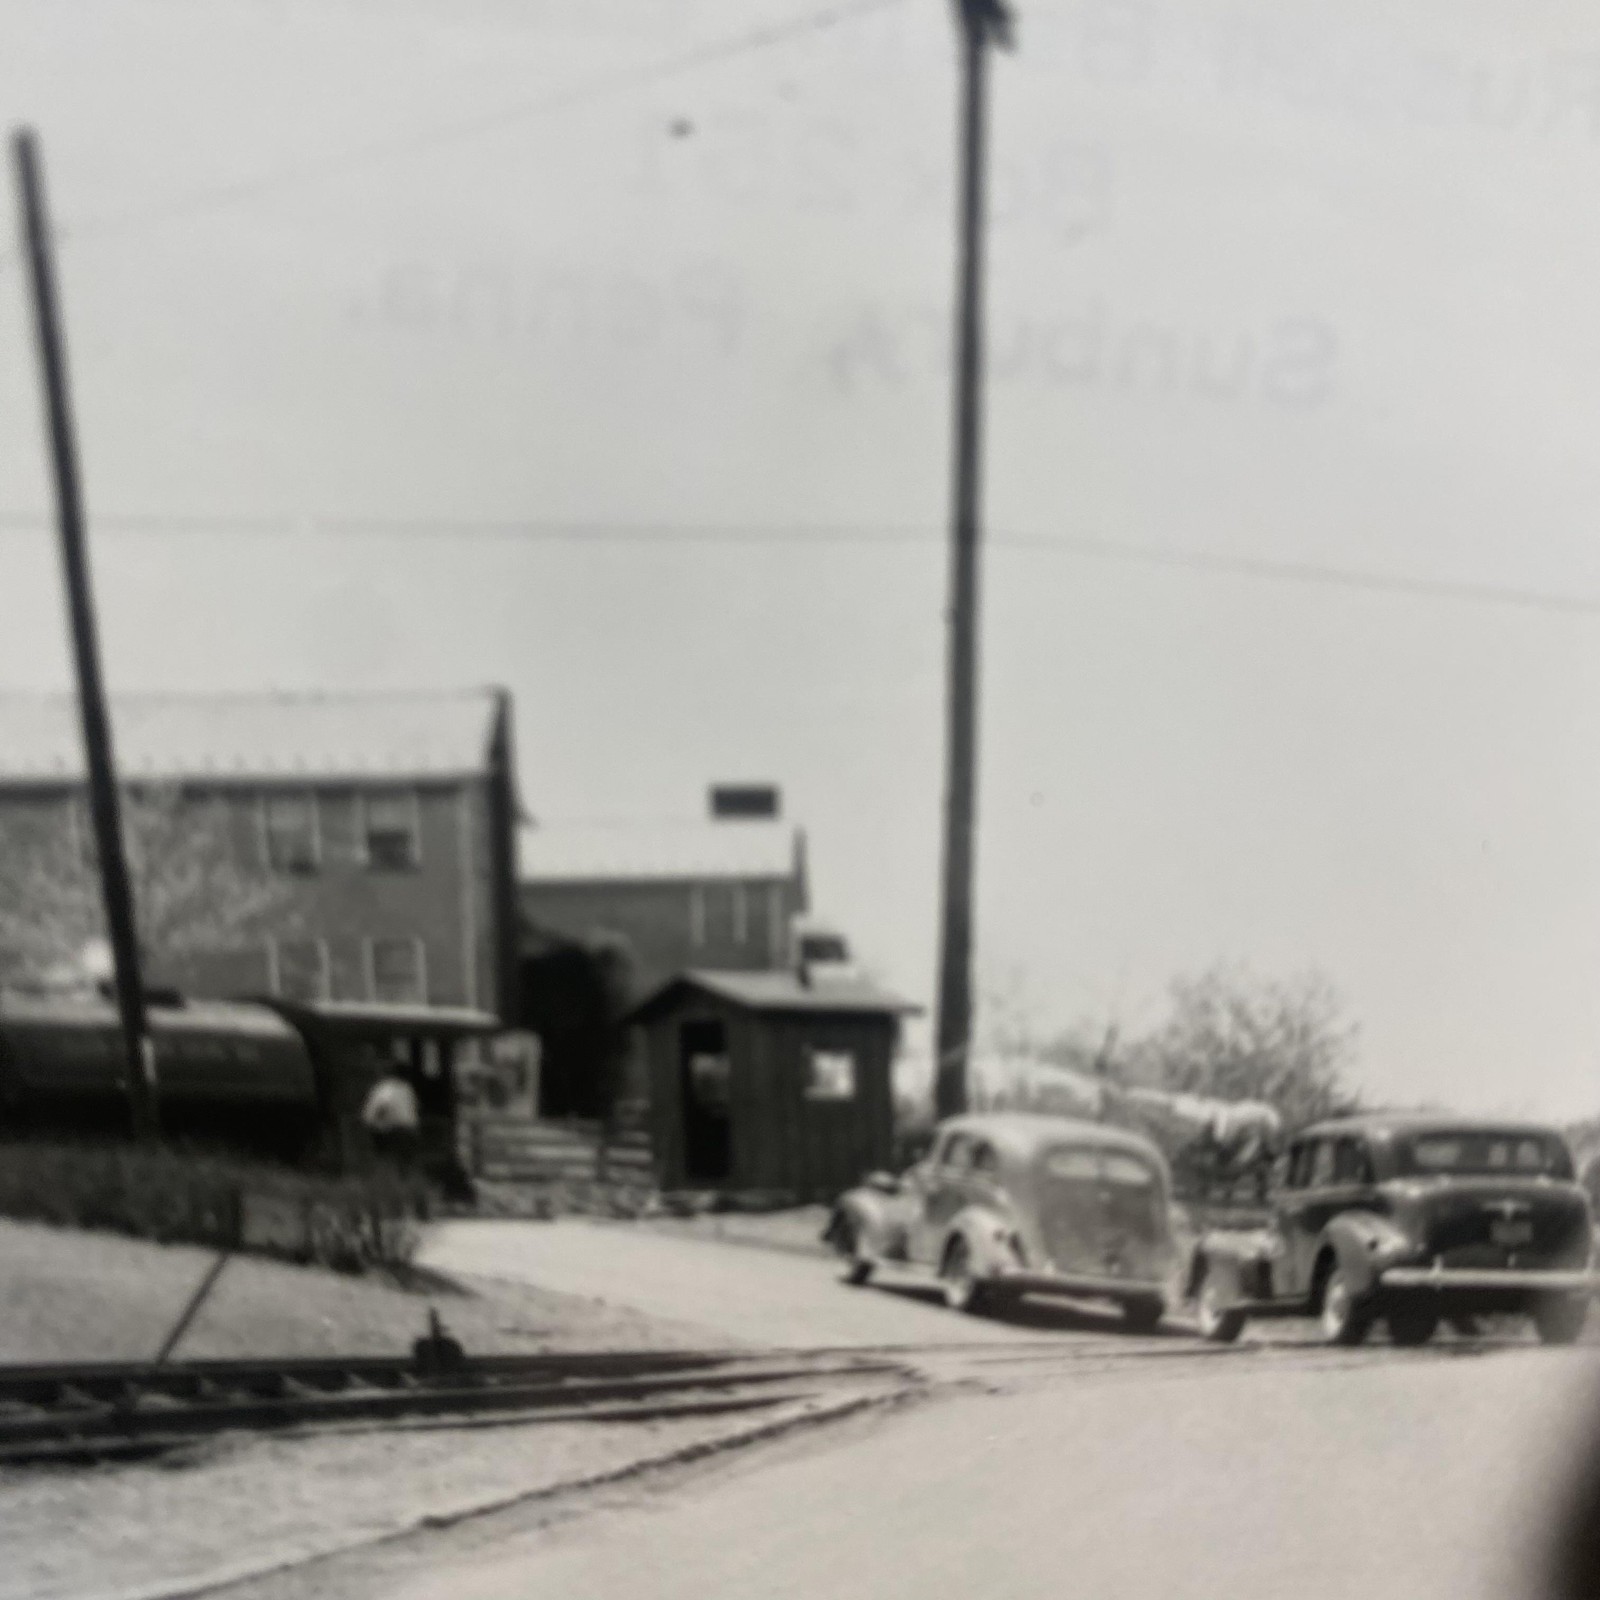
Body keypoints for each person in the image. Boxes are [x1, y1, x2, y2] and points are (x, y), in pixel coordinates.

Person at [361, 1071, 420, 1172]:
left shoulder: (385, 1088)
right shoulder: (405, 1088)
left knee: (387, 1157)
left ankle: (388, 1172)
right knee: (404, 1159)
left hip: (391, 1129)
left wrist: (373, 1121)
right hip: (407, 1129)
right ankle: (402, 1174)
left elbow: (378, 1108)